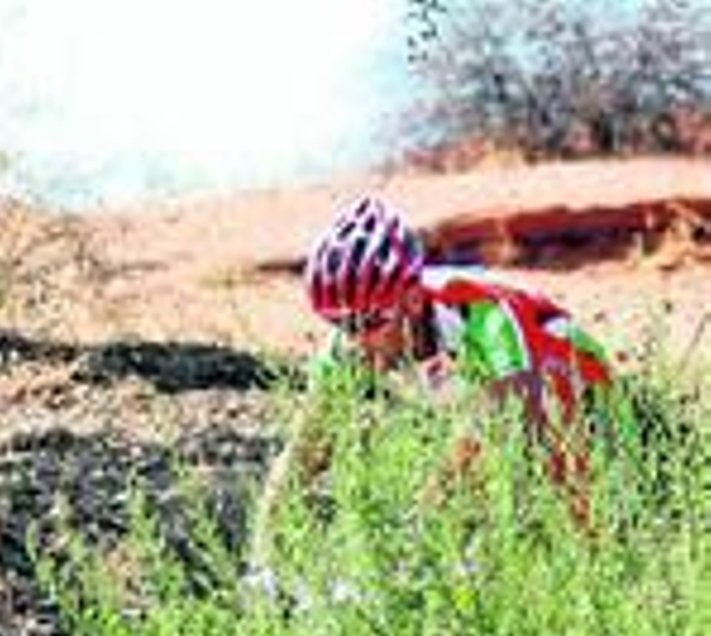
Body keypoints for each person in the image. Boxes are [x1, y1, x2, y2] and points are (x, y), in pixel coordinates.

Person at [250, 194, 618, 570]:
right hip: (474, 404)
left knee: (521, 454)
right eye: (341, 324)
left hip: (581, 395)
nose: (358, 339)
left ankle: (597, 563)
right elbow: (302, 454)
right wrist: (260, 564)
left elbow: (513, 421)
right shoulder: (347, 347)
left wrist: (420, 531)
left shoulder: (478, 311)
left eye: (371, 322)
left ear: (411, 298)